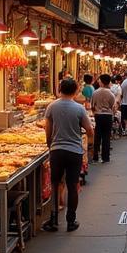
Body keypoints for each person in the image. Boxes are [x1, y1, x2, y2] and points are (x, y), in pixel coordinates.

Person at [43, 77, 93, 232]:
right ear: (76, 90)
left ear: (59, 89)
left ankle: (53, 220)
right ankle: (71, 221)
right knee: (72, 185)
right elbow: (90, 130)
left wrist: (50, 144)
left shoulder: (52, 106)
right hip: (74, 152)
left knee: (55, 184)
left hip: (57, 151)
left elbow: (48, 129)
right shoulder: (79, 108)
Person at [90, 73, 118, 162]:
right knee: (106, 136)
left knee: (97, 136)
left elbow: (92, 106)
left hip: (98, 115)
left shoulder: (95, 92)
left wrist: (95, 113)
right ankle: (105, 157)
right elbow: (112, 106)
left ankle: (95, 156)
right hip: (108, 116)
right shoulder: (111, 93)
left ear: (101, 81)